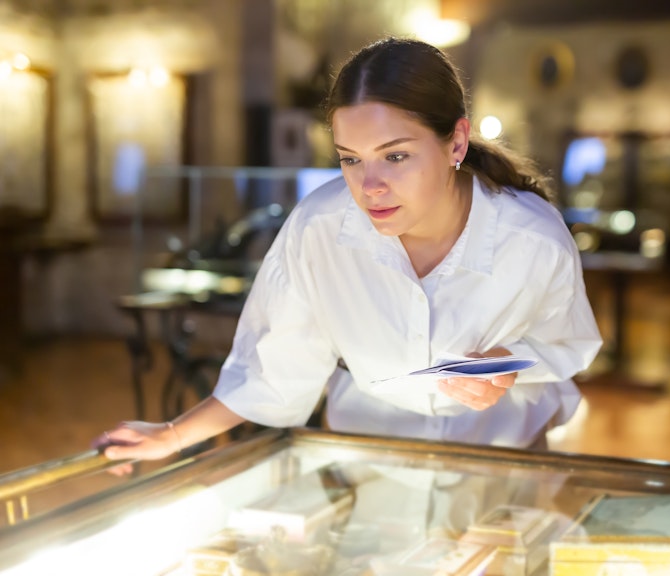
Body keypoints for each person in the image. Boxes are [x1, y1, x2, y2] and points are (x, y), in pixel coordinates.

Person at [96, 37, 602, 468]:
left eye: (396, 156)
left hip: (501, 460)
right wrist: (171, 435)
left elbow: (566, 343)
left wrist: (508, 363)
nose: (370, 186)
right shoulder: (319, 228)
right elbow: (275, 365)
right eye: (350, 160)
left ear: (457, 142)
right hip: (369, 459)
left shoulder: (532, 239)